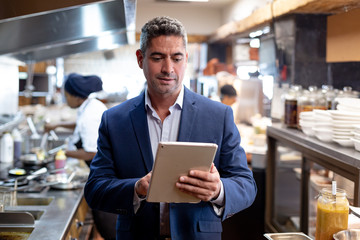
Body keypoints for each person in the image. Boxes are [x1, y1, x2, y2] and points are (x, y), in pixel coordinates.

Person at [84, 16, 257, 240]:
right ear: (140, 59)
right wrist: (136, 189)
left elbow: (246, 185)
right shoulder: (114, 120)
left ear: (186, 58)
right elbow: (95, 189)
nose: (168, 68)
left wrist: (218, 190)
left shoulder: (218, 115)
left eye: (176, 58)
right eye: (157, 57)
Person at [45, 73, 117, 240]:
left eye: (67, 95)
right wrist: (58, 124)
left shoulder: (90, 114)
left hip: (104, 177)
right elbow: (80, 124)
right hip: (105, 175)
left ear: (76, 96)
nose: (65, 98)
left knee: (107, 225)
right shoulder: (90, 105)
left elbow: (92, 152)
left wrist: (60, 152)